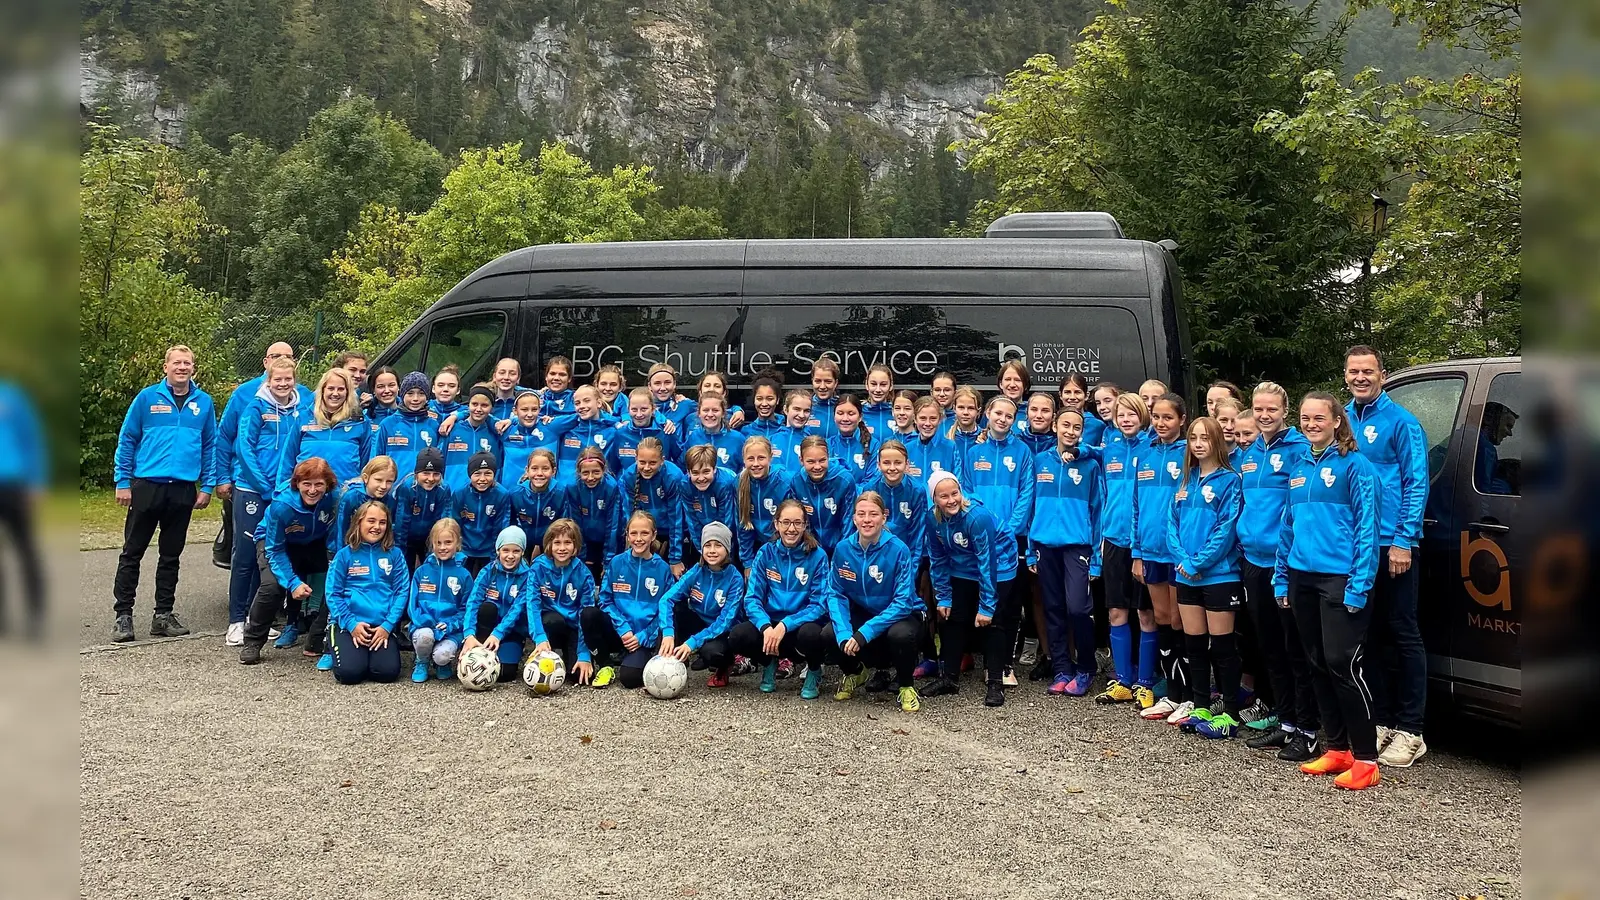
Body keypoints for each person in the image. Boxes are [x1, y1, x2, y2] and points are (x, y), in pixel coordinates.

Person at [1275, 392, 1382, 790]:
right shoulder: (1299, 465)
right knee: (1316, 662)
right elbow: (1288, 527)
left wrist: (1359, 586)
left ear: (1337, 420)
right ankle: (1337, 748)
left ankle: (1367, 758)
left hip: (1341, 580)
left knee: (1343, 665)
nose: (1311, 424)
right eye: (1305, 418)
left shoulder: (1357, 466)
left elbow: (1368, 530)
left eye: (1319, 417)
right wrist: (1281, 577)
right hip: (1302, 577)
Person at [1343, 345, 1430, 767]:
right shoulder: (1342, 418)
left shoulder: (1402, 422)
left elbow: (1416, 482)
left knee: (1403, 632)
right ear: (1345, 376)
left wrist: (1403, 539)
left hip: (1391, 543)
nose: (1361, 377)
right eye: (1354, 371)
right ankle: (1378, 721)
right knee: (1369, 633)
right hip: (1356, 544)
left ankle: (1411, 729)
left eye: (1368, 371)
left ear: (1383, 374)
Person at [111, 345, 218, 643]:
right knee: (132, 553)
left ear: (193, 368)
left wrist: (207, 486)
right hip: (147, 486)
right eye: (177, 363)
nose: (182, 367)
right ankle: (123, 616)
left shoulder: (203, 403)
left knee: (171, 555)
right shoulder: (147, 398)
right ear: (166, 367)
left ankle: (162, 615)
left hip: (183, 489)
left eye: (187, 363)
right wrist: (123, 481)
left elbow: (211, 445)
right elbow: (128, 439)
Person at [1236, 382, 1318, 761]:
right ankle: (1284, 722)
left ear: (1284, 410)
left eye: (1271, 409)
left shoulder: (1300, 450)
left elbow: (1299, 508)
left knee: (1294, 649)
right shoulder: (1249, 453)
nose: (1264, 415)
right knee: (1269, 646)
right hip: (1253, 562)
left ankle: (1307, 729)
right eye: (1258, 409)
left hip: (1284, 564)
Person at [1166, 417, 1247, 738]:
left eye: (1205, 438)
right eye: (1193, 438)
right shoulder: (1185, 481)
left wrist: (1199, 561)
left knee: (1223, 647)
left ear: (1216, 442)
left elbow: (1227, 529)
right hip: (1186, 576)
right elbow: (1170, 525)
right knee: (1194, 644)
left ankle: (1229, 712)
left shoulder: (1230, 481)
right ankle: (1200, 704)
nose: (1198, 444)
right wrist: (1183, 560)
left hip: (1218, 576)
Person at [224, 357, 306, 645]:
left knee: (266, 554)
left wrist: (285, 487)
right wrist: (265, 487)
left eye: (288, 379)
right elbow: (244, 449)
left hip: (282, 491)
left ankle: (254, 619)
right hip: (253, 490)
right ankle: (236, 621)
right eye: (277, 380)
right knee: (245, 555)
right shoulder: (255, 407)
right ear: (267, 380)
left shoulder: (300, 410)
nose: (283, 384)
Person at [822, 492, 924, 712]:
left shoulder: (899, 550)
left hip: (901, 615)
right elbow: (835, 593)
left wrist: (864, 633)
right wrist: (844, 632)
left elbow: (903, 602)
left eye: (873, 514)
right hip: (865, 611)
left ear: (884, 517)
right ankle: (856, 672)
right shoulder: (843, 549)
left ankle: (906, 685)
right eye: (861, 514)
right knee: (830, 634)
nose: (867, 519)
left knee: (901, 635)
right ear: (854, 518)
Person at [213, 342, 310, 567]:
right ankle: (244, 602)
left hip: (289, 486)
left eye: (287, 356)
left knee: (285, 548)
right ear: (266, 362)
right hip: (250, 483)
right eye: (275, 356)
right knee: (246, 550)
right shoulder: (244, 394)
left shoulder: (305, 395)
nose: (280, 361)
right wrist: (222, 478)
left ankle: (274, 600)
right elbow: (226, 437)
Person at [1029, 409, 1104, 697]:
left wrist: (1096, 559)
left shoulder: (1090, 466)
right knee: (1053, 608)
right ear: (1055, 427)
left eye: (1076, 427)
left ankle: (1086, 668)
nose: (1070, 431)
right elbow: (1034, 505)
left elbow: (1097, 511)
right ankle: (1062, 668)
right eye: (1065, 425)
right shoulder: (1041, 461)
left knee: (1078, 608)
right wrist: (1031, 547)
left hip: (1078, 546)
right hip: (1045, 546)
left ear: (1082, 432)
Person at [960, 396, 1034, 687]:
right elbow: (966, 491)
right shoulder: (974, 452)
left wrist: (1008, 528)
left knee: (1008, 604)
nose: (1003, 419)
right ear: (987, 414)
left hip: (1009, 538)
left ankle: (1004, 664)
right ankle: (986, 659)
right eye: (998, 413)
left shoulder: (1023, 452)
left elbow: (1027, 492)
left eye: (1009, 415)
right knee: (982, 597)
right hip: (980, 535)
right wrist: (982, 523)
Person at [921, 470, 1011, 707]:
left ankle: (995, 682)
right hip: (961, 565)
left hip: (997, 564)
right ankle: (949, 678)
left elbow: (987, 562)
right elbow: (937, 558)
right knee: (951, 617)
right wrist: (943, 597)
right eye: (944, 496)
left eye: (955, 493)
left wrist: (987, 607)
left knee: (992, 624)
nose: (951, 500)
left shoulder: (976, 517)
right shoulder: (932, 518)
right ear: (934, 499)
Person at [238, 457, 338, 666]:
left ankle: (317, 636)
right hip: (274, 542)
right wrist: (292, 582)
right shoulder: (282, 505)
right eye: (306, 484)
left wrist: (335, 559)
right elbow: (274, 549)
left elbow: (335, 533)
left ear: (327, 485)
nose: (312, 490)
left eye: (319, 484)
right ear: (297, 484)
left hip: (313, 540)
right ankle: (253, 640)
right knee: (272, 586)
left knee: (338, 580)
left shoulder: (335, 498)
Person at [729, 499, 831, 698]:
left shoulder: (818, 555)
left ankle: (814, 670)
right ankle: (769, 662)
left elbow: (820, 604)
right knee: (738, 636)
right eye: (785, 522)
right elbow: (751, 599)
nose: (791, 529)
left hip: (800, 624)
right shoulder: (766, 553)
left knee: (812, 635)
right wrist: (765, 626)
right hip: (771, 624)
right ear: (776, 524)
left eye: (797, 523)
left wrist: (785, 624)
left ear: (805, 525)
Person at [1096, 393, 1158, 708]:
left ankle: (1146, 683)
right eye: (1121, 414)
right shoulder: (1110, 449)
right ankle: (1123, 680)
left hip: (1144, 543)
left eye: (1132, 414)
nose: (1126, 419)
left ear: (1143, 415)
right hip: (1114, 540)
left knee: (1146, 613)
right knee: (1116, 611)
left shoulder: (1153, 448)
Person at [1132, 394, 1190, 723]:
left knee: (1183, 623)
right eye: (1156, 416)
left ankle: (1189, 694)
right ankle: (1171, 694)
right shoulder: (1144, 453)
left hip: (1178, 552)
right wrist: (1137, 553)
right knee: (1163, 620)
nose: (1161, 422)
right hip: (1150, 551)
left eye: (1168, 417)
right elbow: (1137, 507)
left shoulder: (1188, 453)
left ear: (1182, 419)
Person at [585, 510, 675, 689]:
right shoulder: (617, 563)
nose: (638, 538)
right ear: (627, 535)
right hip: (619, 631)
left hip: (642, 636)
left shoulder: (663, 569)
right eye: (633, 533)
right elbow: (605, 600)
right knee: (589, 614)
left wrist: (643, 636)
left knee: (630, 679)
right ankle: (605, 665)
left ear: (654, 535)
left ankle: (643, 655)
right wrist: (623, 628)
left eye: (644, 533)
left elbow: (665, 610)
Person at [323, 500, 408, 685]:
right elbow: (333, 594)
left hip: (381, 626)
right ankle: (336, 639)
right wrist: (351, 624)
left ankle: (370, 655)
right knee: (349, 673)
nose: (377, 527)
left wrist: (387, 626)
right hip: (350, 624)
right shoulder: (344, 555)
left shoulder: (395, 555)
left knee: (386, 673)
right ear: (359, 522)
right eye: (371, 521)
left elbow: (401, 592)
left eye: (382, 522)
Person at [658, 522, 746, 687]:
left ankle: (725, 665)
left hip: (722, 632)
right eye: (707, 545)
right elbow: (666, 599)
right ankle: (667, 665)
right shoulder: (697, 570)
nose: (712, 550)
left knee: (711, 653)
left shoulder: (735, 579)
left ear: (727, 548)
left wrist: (692, 642)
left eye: (718, 545)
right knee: (675, 610)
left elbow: (724, 622)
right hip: (699, 623)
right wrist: (668, 633)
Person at [523, 518, 598, 685]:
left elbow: (584, 614)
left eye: (568, 543)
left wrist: (584, 654)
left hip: (573, 627)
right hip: (550, 625)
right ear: (549, 544)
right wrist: (540, 637)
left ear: (576, 546)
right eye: (557, 542)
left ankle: (569, 653)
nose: (562, 548)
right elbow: (532, 605)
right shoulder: (538, 567)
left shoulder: (584, 574)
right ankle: (543, 651)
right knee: (553, 620)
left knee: (581, 679)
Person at [0, 380, 45, 637]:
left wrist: (36, 480)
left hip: (13, 485)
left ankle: (35, 616)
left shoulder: (12, 396)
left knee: (25, 550)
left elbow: (31, 439)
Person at [460, 525, 534, 680]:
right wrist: (468, 634)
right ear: (498, 551)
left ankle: (504, 650)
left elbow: (516, 610)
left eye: (516, 551)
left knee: (505, 674)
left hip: (511, 631)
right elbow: (473, 603)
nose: (510, 556)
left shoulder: (528, 576)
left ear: (522, 552)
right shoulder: (487, 572)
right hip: (486, 628)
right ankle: (479, 647)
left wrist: (498, 634)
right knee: (487, 608)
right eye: (505, 550)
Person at [279, 368, 368, 491]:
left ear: (348, 392)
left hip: (345, 494)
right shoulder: (303, 417)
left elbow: (368, 463)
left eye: (341, 389)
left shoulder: (360, 421)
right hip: (308, 493)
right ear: (322, 390)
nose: (335, 393)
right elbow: (287, 459)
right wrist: (282, 490)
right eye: (331, 388)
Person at [407, 517, 472, 682]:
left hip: (450, 630)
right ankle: (421, 661)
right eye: (438, 543)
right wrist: (425, 621)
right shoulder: (421, 572)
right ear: (432, 544)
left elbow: (467, 609)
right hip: (424, 627)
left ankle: (441, 663)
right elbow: (412, 605)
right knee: (425, 637)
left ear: (457, 543)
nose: (443, 547)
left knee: (442, 656)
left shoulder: (464, 575)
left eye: (448, 542)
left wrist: (450, 624)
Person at [619, 437, 688, 575]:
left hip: (671, 535)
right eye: (642, 462)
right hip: (644, 534)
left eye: (652, 463)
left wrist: (675, 559)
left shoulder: (673, 476)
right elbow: (629, 516)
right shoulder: (629, 476)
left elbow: (676, 519)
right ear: (635, 458)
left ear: (662, 460)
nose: (646, 467)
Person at [787, 436, 857, 556]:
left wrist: (843, 552)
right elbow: (800, 521)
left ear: (828, 458)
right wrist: (811, 548)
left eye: (822, 460)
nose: (817, 466)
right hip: (811, 548)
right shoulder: (797, 481)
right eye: (811, 462)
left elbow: (848, 522)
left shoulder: (844, 480)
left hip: (840, 546)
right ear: (801, 460)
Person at [450, 452, 511, 576]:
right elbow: (455, 526)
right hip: (465, 550)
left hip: (488, 551)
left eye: (488, 473)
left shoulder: (502, 495)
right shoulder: (460, 494)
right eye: (477, 473)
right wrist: (457, 552)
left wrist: (496, 555)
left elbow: (500, 528)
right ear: (470, 474)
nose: (482, 479)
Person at [567, 447, 623, 582]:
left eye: (596, 472)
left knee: (606, 578)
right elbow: (575, 524)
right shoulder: (573, 487)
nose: (591, 477)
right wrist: (581, 557)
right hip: (586, 542)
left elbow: (613, 525)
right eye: (585, 473)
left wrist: (608, 559)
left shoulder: (611, 487)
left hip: (609, 541)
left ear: (603, 470)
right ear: (578, 473)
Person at [681, 445, 740, 568]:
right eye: (695, 473)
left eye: (706, 472)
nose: (701, 478)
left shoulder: (725, 483)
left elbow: (727, 522)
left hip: (729, 536)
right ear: (688, 471)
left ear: (714, 469)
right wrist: (702, 551)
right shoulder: (685, 485)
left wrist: (724, 551)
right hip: (703, 535)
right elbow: (692, 521)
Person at [375, 372, 441, 478]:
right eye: (410, 393)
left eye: (421, 393)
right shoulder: (388, 424)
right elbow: (376, 460)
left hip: (424, 488)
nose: (415, 398)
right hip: (393, 489)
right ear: (402, 394)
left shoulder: (434, 425)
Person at [393, 449, 450, 570]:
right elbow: (401, 523)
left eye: (436, 474)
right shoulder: (407, 488)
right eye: (426, 473)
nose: (430, 479)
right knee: (405, 570)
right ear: (416, 473)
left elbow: (441, 522)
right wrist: (400, 552)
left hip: (429, 540)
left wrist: (434, 550)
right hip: (407, 539)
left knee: (430, 571)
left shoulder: (443, 489)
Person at [735, 436, 789, 565]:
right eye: (750, 459)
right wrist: (747, 562)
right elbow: (743, 525)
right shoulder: (739, 482)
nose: (756, 464)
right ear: (743, 460)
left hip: (782, 547)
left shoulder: (784, 482)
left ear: (770, 457)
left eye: (761, 458)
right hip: (755, 547)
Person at [442, 386, 503, 492]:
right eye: (474, 404)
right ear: (468, 405)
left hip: (484, 497)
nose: (478, 409)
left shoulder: (495, 433)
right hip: (452, 493)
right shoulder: (451, 429)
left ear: (491, 408)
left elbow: (498, 468)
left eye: (484, 405)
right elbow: (440, 461)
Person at [608, 387, 680, 472]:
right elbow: (614, 467)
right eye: (634, 409)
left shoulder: (666, 431)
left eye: (644, 409)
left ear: (653, 409)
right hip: (630, 484)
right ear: (628, 410)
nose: (639, 414)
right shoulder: (620, 434)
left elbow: (678, 460)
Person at [510, 449, 567, 555]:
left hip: (551, 540)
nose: (539, 473)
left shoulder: (561, 493)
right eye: (534, 468)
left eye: (545, 469)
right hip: (523, 539)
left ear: (553, 471)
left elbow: (564, 524)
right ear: (527, 470)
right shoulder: (516, 494)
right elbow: (510, 524)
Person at [499, 391, 559, 482]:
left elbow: (579, 415)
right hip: (511, 492)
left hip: (545, 491)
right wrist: (513, 420)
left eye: (534, 409)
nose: (530, 414)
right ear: (515, 410)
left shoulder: (551, 427)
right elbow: (480, 414)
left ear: (539, 410)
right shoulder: (505, 430)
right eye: (524, 409)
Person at [682, 392, 746, 472]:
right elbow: (684, 466)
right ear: (699, 413)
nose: (710, 414)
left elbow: (745, 469)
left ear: (723, 413)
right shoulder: (693, 437)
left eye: (715, 410)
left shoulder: (737, 439)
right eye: (705, 410)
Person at [828, 394, 879, 484]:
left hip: (863, 497)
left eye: (851, 414)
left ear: (860, 417)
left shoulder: (873, 445)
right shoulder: (827, 444)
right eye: (840, 413)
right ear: (834, 416)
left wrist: (852, 493)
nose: (845, 418)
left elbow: (872, 480)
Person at [905, 397, 958, 480]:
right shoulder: (907, 449)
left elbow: (958, 482)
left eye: (933, 418)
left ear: (940, 419)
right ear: (915, 419)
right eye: (923, 418)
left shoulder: (950, 447)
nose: (927, 423)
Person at [770, 390, 817, 470]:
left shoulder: (812, 442)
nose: (801, 415)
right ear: (785, 409)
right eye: (797, 409)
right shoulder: (771, 439)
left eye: (806, 411)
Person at [648, 363, 698, 435]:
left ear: (674, 384)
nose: (662, 388)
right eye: (657, 383)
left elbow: (708, 410)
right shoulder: (642, 409)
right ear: (649, 386)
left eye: (667, 382)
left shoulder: (685, 405)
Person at [1058, 374, 1105, 448]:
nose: (1072, 397)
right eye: (1067, 392)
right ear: (1060, 395)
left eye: (1077, 392)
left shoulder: (1097, 426)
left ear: (1086, 395)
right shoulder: (1054, 422)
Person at [743, 373, 788, 441]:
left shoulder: (786, 430)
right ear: (754, 400)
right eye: (759, 398)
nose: (764, 404)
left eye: (769, 399)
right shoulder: (745, 431)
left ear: (777, 400)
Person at [809, 358, 843, 443]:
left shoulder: (843, 407)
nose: (822, 386)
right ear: (812, 381)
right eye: (818, 381)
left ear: (835, 383)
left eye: (828, 381)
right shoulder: (805, 406)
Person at [860, 364, 897, 438]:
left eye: (883, 385)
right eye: (873, 384)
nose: (878, 390)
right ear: (867, 385)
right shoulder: (858, 412)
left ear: (891, 386)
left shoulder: (898, 412)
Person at [364, 367, 400, 432]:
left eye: (391, 385)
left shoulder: (409, 414)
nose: (386, 391)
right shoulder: (365, 415)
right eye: (381, 386)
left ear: (398, 387)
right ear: (373, 390)